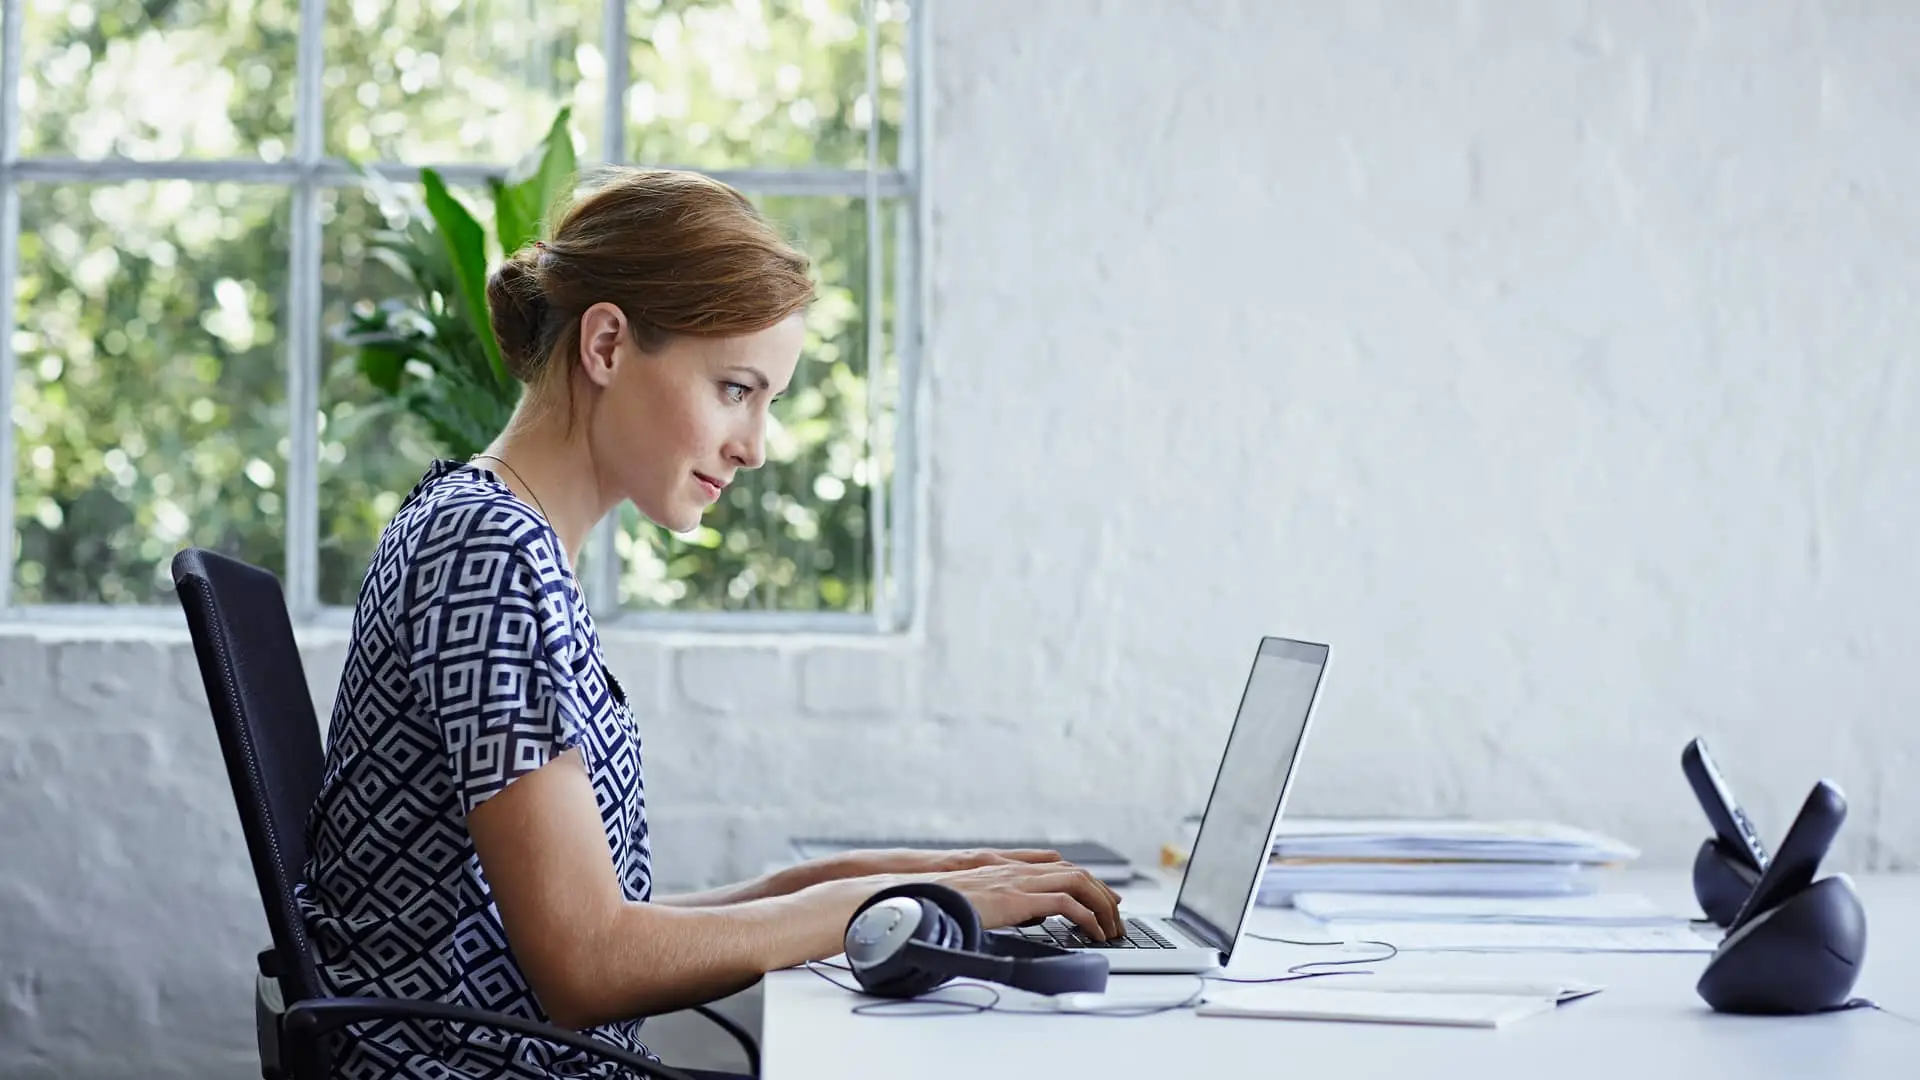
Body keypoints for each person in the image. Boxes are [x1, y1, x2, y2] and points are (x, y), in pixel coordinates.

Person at [295, 167, 1123, 1080]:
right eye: (736, 388)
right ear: (606, 344)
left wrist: (940, 882)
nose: (754, 445)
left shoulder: (488, 528)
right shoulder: (489, 550)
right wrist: (890, 897)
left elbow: (612, 922)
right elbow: (588, 963)